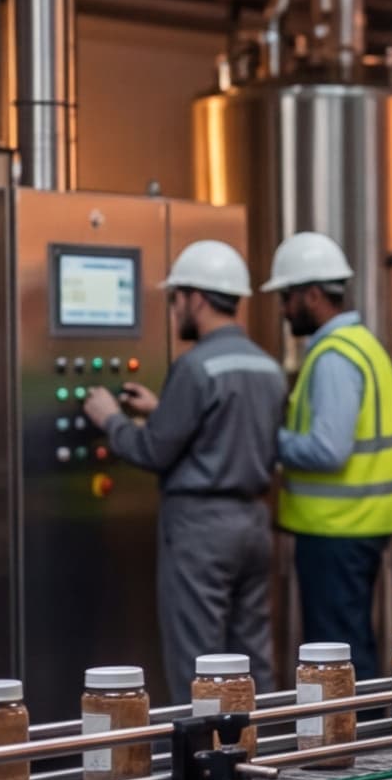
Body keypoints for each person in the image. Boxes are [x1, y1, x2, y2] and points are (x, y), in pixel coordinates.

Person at [82, 240, 285, 702]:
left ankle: (202, 767)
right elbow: (229, 430)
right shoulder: (267, 366)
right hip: (253, 525)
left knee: (200, 662)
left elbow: (154, 450)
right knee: (252, 658)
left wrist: (109, 417)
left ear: (195, 298)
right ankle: (266, 754)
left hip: (201, 533)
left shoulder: (194, 367)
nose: (174, 313)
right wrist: (163, 409)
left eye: (175, 300)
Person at [266, 230, 392, 678]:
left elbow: (328, 450)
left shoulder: (333, 357)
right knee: (349, 644)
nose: (284, 309)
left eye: (287, 297)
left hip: (336, 531)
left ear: (311, 295)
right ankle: (360, 739)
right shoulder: (364, 346)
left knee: (335, 654)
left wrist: (269, 442)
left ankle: (356, 743)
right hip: (358, 525)